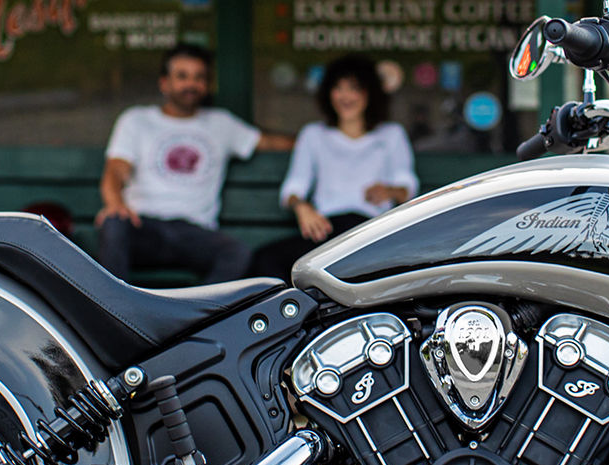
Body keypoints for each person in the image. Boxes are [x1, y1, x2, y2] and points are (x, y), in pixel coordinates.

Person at [96, 43, 293, 284]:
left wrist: (320, 135)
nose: (191, 84)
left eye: (199, 77)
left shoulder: (221, 124)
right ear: (164, 83)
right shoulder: (136, 120)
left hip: (196, 233)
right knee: (113, 223)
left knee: (237, 253)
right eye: (182, 76)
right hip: (144, 227)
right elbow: (116, 169)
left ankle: (200, 319)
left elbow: (271, 143)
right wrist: (116, 204)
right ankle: (115, 314)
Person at [249, 55, 418, 281]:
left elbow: (407, 184)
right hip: (327, 232)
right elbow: (293, 186)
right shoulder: (314, 134)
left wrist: (390, 191)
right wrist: (302, 207)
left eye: (353, 89)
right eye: (337, 88)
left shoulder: (391, 134)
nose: (345, 96)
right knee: (266, 259)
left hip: (371, 232)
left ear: (370, 93)